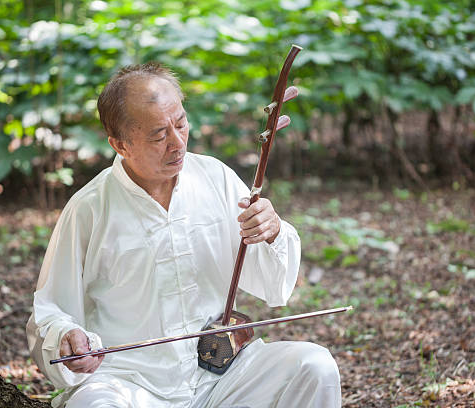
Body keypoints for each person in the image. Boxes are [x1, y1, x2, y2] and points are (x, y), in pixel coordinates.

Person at [26, 62, 341, 408]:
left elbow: (272, 286)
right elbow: (50, 310)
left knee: (314, 368)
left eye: (181, 124)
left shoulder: (215, 178)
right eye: (159, 135)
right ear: (120, 145)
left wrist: (273, 230)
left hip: (224, 374)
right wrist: (66, 338)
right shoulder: (89, 208)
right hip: (131, 382)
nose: (177, 143)